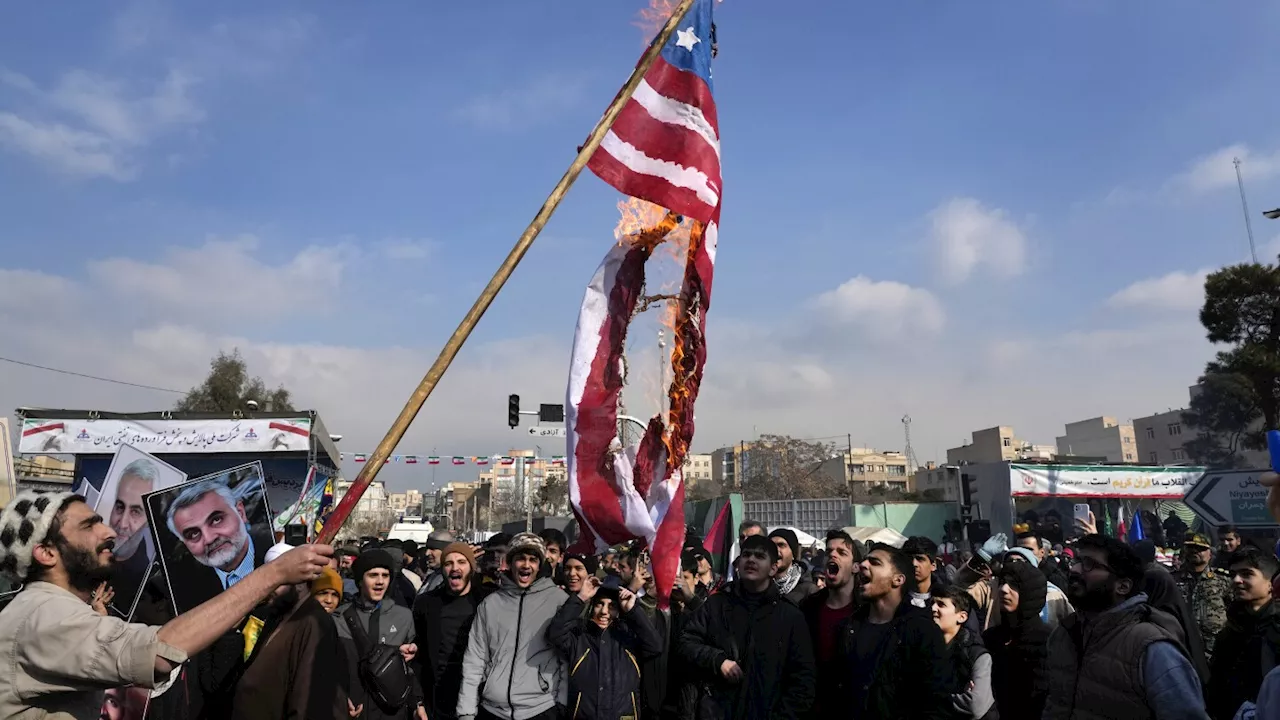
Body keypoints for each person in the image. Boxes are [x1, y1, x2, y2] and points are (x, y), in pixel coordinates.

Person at [0, 490, 331, 718]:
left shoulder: (51, 609)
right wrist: (271, 575)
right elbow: (159, 652)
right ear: (46, 553)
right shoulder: (42, 616)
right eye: (89, 526)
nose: (110, 531)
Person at [1042, 534, 1208, 720]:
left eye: (1090, 564)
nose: (1075, 569)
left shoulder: (1152, 649)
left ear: (1123, 586)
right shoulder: (1064, 633)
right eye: (1077, 561)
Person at [677, 534, 815, 718]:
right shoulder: (716, 605)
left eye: (760, 556)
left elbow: (803, 681)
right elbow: (686, 643)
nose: (751, 559)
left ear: (773, 568)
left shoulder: (790, 617)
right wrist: (718, 661)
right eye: (747, 554)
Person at [458, 532, 568, 720]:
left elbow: (565, 659)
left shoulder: (558, 602)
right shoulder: (491, 604)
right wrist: (466, 711)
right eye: (521, 559)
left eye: (533, 559)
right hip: (493, 709)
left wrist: (562, 703)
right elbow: (475, 658)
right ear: (510, 562)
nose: (526, 565)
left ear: (540, 565)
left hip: (541, 708)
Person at [834, 542, 951, 719]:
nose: (863, 565)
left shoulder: (922, 631)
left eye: (875, 562)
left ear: (898, 579)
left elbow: (937, 703)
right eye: (864, 561)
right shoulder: (847, 629)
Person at [232, 543, 345, 720]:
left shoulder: (314, 622)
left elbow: (308, 702)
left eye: (279, 581)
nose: (271, 589)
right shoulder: (279, 612)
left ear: (300, 581)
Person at [548, 576, 663, 720]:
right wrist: (580, 598)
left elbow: (655, 646)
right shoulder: (579, 637)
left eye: (612, 606)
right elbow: (555, 634)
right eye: (599, 604)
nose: (604, 611)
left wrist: (632, 610)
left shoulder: (629, 638)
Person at [335, 549, 426, 720]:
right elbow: (330, 670)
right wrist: (339, 699)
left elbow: (410, 671)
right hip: (354, 712)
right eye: (373, 575)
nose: (380, 582)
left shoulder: (403, 617)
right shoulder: (338, 618)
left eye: (385, 575)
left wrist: (417, 704)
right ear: (360, 580)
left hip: (391, 712)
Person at [163, 477, 274, 614]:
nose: (209, 539)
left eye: (216, 520)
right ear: (184, 544)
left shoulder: (279, 547)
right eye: (193, 534)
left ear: (241, 513)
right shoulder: (186, 594)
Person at [413, 543, 492, 720]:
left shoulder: (487, 601)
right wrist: (418, 701)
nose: (455, 567)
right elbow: (418, 658)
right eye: (448, 563)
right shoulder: (426, 603)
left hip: (478, 695)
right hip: (438, 697)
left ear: (471, 568)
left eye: (462, 562)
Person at [1206, 547, 1280, 720]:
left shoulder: (1276, 630)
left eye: (1247, 574)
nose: (1236, 580)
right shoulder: (1232, 625)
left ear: (1271, 583)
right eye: (1233, 574)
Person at [800, 529, 861, 718]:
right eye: (829, 552)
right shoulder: (808, 607)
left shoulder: (867, 610)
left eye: (842, 552)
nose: (832, 554)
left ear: (855, 567)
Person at [983, 558, 1050, 718]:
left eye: (1014, 585)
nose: (1004, 589)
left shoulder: (1048, 641)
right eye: (1002, 582)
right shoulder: (991, 638)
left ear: (1030, 592)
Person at [105, 459, 162, 616]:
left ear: (150, 520)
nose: (122, 523)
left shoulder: (148, 581)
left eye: (136, 511)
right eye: (120, 507)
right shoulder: (91, 551)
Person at [932, 587, 996, 720]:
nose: (933, 608)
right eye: (932, 603)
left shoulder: (976, 655)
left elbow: (975, 705)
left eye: (941, 605)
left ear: (961, 617)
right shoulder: (923, 648)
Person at [1176, 533, 1229, 663]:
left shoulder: (1222, 579)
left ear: (1210, 553)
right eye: (1190, 548)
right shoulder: (1173, 580)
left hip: (1216, 648)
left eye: (1200, 548)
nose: (1195, 551)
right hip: (1184, 646)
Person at [1002, 547, 1073, 630]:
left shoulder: (1053, 594)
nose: (1014, 565)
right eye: (1009, 561)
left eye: (1020, 561)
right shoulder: (999, 591)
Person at [770, 528, 818, 604]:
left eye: (781, 545)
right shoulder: (760, 586)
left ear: (793, 554)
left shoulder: (809, 590)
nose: (775, 550)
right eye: (771, 545)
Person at [903, 536, 948, 610]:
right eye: (909, 559)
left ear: (933, 566)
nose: (914, 564)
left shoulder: (947, 598)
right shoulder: (894, 601)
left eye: (920, 559)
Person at [418, 530, 455, 595]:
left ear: (446, 551)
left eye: (432, 549)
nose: (427, 553)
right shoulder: (432, 576)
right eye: (427, 549)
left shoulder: (451, 581)